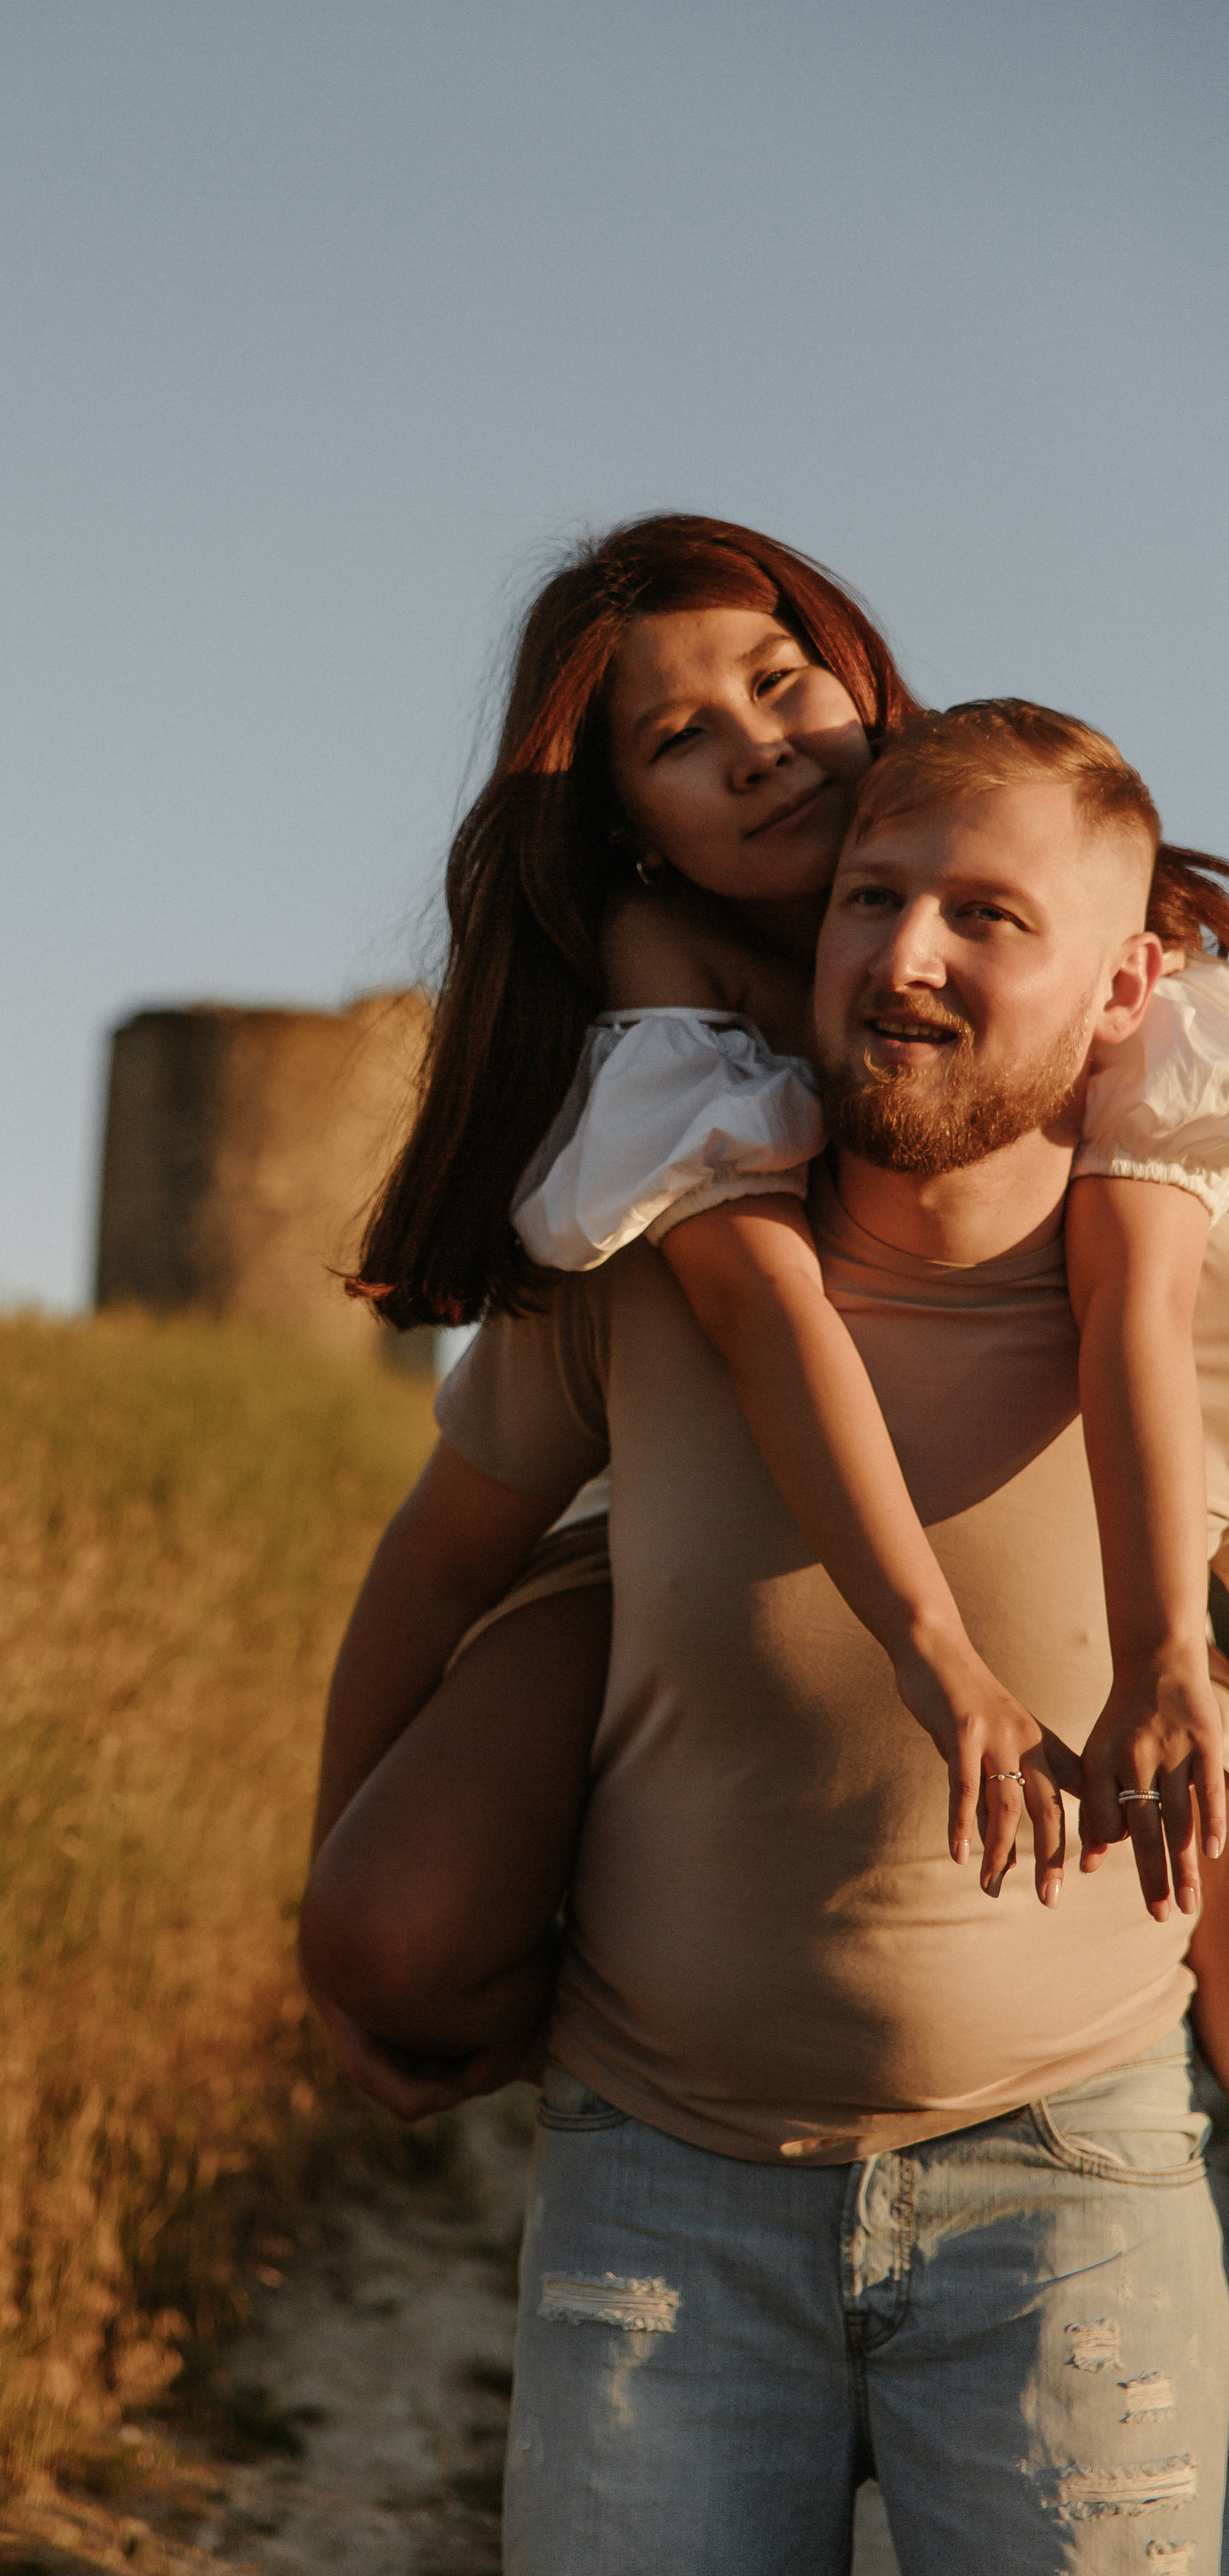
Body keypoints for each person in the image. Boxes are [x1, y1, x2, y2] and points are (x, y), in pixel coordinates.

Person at [321, 707, 1229, 2570]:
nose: (905, 955)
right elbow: (428, 1572)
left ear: (1129, 981)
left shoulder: (1190, 1307)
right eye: (872, 899)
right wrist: (339, 1919)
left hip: (1075, 2181)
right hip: (665, 2185)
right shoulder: (648, 1263)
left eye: (987, 915)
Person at [300, 518, 1229, 2111]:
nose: (751, 751)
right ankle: (604, 2006)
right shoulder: (665, 997)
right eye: (677, 741)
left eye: (779, 683)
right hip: (667, 1548)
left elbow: (1133, 1301)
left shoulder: (1113, 981)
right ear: (630, 830)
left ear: (862, 685)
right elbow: (762, 1325)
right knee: (379, 1933)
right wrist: (327, 1877)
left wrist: (1160, 1636)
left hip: (1125, 1569)